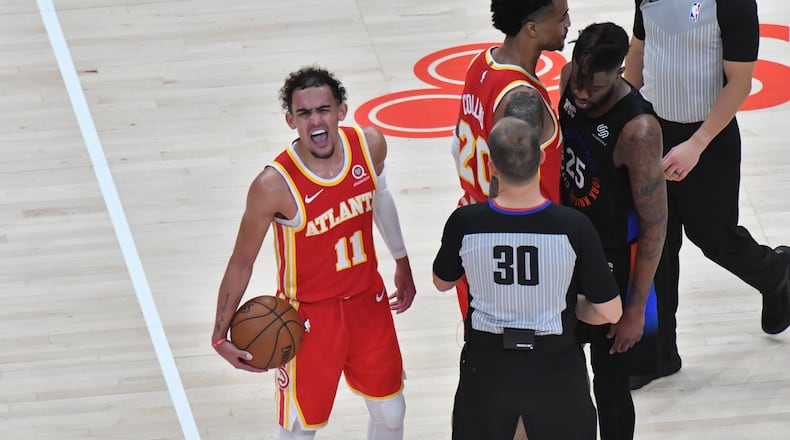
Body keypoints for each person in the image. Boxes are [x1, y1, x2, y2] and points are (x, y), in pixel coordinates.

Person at [210, 66, 417, 440]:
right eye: (304, 113)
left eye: (323, 109)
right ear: (290, 120)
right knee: (299, 429)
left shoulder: (370, 146)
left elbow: (381, 196)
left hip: (368, 304)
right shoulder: (273, 185)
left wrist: (401, 260)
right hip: (308, 319)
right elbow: (241, 262)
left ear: (341, 110)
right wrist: (219, 335)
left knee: (392, 410)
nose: (315, 121)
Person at [624, 0, 790, 389]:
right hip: (655, 131)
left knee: (715, 238)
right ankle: (659, 355)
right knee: (657, 245)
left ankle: (778, 273)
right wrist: (626, 117)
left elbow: (740, 82)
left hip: (709, 140)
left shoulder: (733, 3)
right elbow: (638, 50)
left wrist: (697, 144)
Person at [433, 116, 623, 440]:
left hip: (488, 367)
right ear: (542, 159)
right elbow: (611, 312)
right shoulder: (574, 226)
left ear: (491, 166)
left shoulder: (465, 223)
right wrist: (572, 305)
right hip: (556, 366)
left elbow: (442, 281)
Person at [558, 22, 667, 440]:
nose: (581, 95)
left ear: (621, 70)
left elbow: (656, 224)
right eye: (579, 83)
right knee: (559, 376)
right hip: (563, 249)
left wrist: (637, 308)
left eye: (594, 89)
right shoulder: (571, 79)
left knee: (611, 382)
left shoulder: (639, 131)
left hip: (610, 263)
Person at [450, 0, 571, 319]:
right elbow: (507, 189)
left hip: (473, 230)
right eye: (562, 17)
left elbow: (456, 144)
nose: (568, 23)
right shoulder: (521, 99)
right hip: (517, 255)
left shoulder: (482, 63)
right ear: (532, 28)